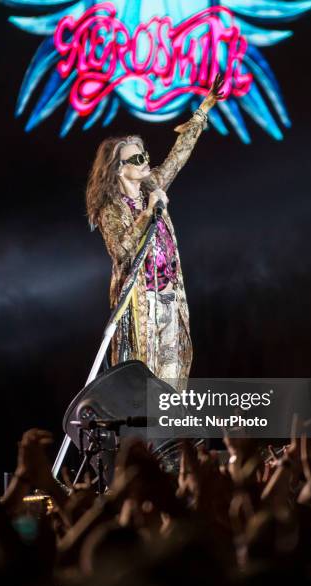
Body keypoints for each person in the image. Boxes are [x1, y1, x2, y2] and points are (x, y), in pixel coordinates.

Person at [86, 75, 224, 389]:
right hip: (141, 302)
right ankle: (144, 436)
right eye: (136, 158)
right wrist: (148, 213)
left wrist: (203, 110)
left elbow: (178, 156)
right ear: (119, 168)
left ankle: (170, 434)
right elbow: (121, 252)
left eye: (144, 154)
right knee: (145, 376)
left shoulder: (152, 185)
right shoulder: (112, 208)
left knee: (173, 374)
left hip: (169, 295)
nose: (145, 160)